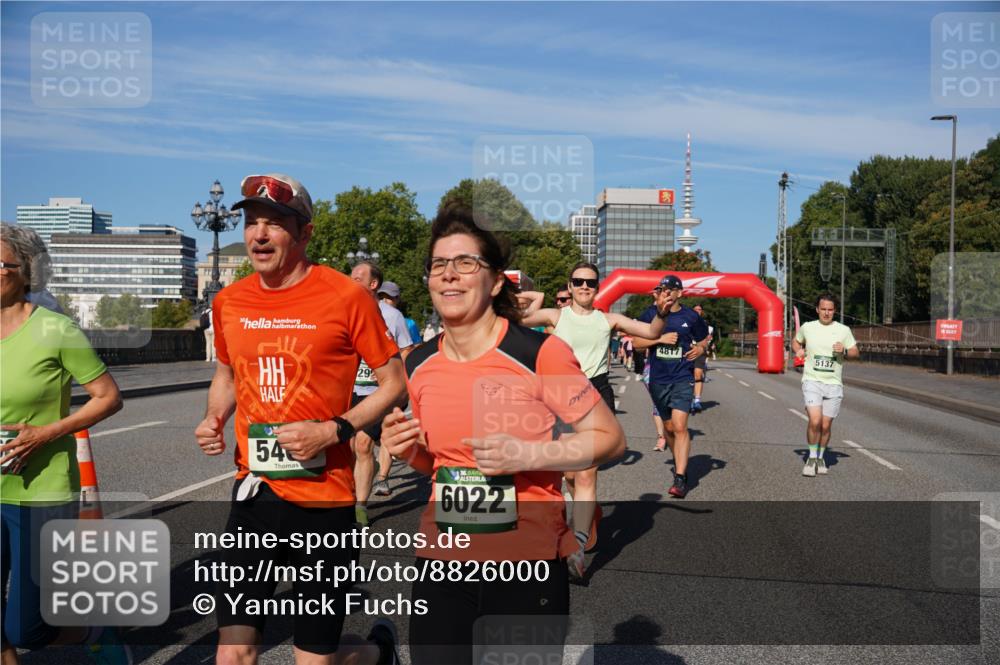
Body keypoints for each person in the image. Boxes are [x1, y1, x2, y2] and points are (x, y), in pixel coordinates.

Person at [380, 202, 625, 664]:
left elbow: (610, 438)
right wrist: (407, 448)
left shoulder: (538, 354)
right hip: (442, 562)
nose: (449, 274)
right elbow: (438, 464)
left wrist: (527, 454)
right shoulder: (418, 363)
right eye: (438, 265)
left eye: (465, 263)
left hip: (525, 565)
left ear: (495, 282)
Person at [193, 174, 404, 665]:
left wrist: (334, 430)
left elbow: (395, 383)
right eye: (250, 222)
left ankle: (376, 653)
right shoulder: (229, 301)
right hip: (255, 494)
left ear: (305, 233)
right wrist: (213, 416)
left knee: (314, 660)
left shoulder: (347, 297)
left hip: (326, 501)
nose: (258, 234)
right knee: (234, 654)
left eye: (274, 223)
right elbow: (226, 375)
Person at [0, 223, 127, 665]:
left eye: (1, 264)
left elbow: (109, 398)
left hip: (41, 490)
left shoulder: (55, 329)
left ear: (26, 272)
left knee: (26, 628)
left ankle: (89, 628)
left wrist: (45, 433)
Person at [520, 262, 670, 578]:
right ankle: (590, 516)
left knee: (586, 476)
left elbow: (652, 332)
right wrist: (531, 296)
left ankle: (575, 549)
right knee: (566, 477)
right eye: (578, 281)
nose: (584, 286)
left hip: (595, 394)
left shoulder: (609, 320)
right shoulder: (554, 316)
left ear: (598, 287)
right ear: (570, 285)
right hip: (558, 394)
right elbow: (512, 320)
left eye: (590, 282)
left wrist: (661, 311)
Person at [632, 275, 709, 499]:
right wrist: (659, 340)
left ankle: (681, 478)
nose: (665, 292)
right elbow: (637, 344)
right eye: (662, 288)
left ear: (679, 293)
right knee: (668, 427)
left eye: (669, 289)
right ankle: (679, 459)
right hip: (658, 378)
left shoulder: (690, 316)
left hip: (682, 377)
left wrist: (701, 350)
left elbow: (704, 339)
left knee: (680, 425)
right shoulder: (649, 314)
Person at [350, 263, 413, 523]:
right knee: (354, 448)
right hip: (350, 390)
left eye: (357, 278)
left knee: (364, 443)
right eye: (350, 276)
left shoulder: (392, 316)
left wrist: (401, 387)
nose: (350, 280)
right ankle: (369, 470)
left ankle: (360, 507)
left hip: (379, 392)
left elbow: (406, 351)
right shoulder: (343, 310)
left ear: (373, 284)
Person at [792, 294, 859, 477]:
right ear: (817, 309)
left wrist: (844, 350)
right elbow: (796, 341)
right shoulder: (808, 327)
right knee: (815, 420)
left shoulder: (843, 330)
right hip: (812, 380)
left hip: (834, 384)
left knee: (826, 425)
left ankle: (821, 456)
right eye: (823, 309)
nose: (826, 313)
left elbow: (855, 352)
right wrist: (798, 350)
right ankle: (811, 458)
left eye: (830, 309)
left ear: (834, 311)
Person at [690, 304, 714, 413]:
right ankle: (689, 399)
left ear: (701, 312)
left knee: (698, 374)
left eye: (699, 310)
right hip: (688, 350)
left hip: (700, 351)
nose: (698, 311)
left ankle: (697, 401)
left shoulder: (707, 326)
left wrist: (708, 342)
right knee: (688, 376)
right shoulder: (687, 321)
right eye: (696, 310)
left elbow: (709, 339)